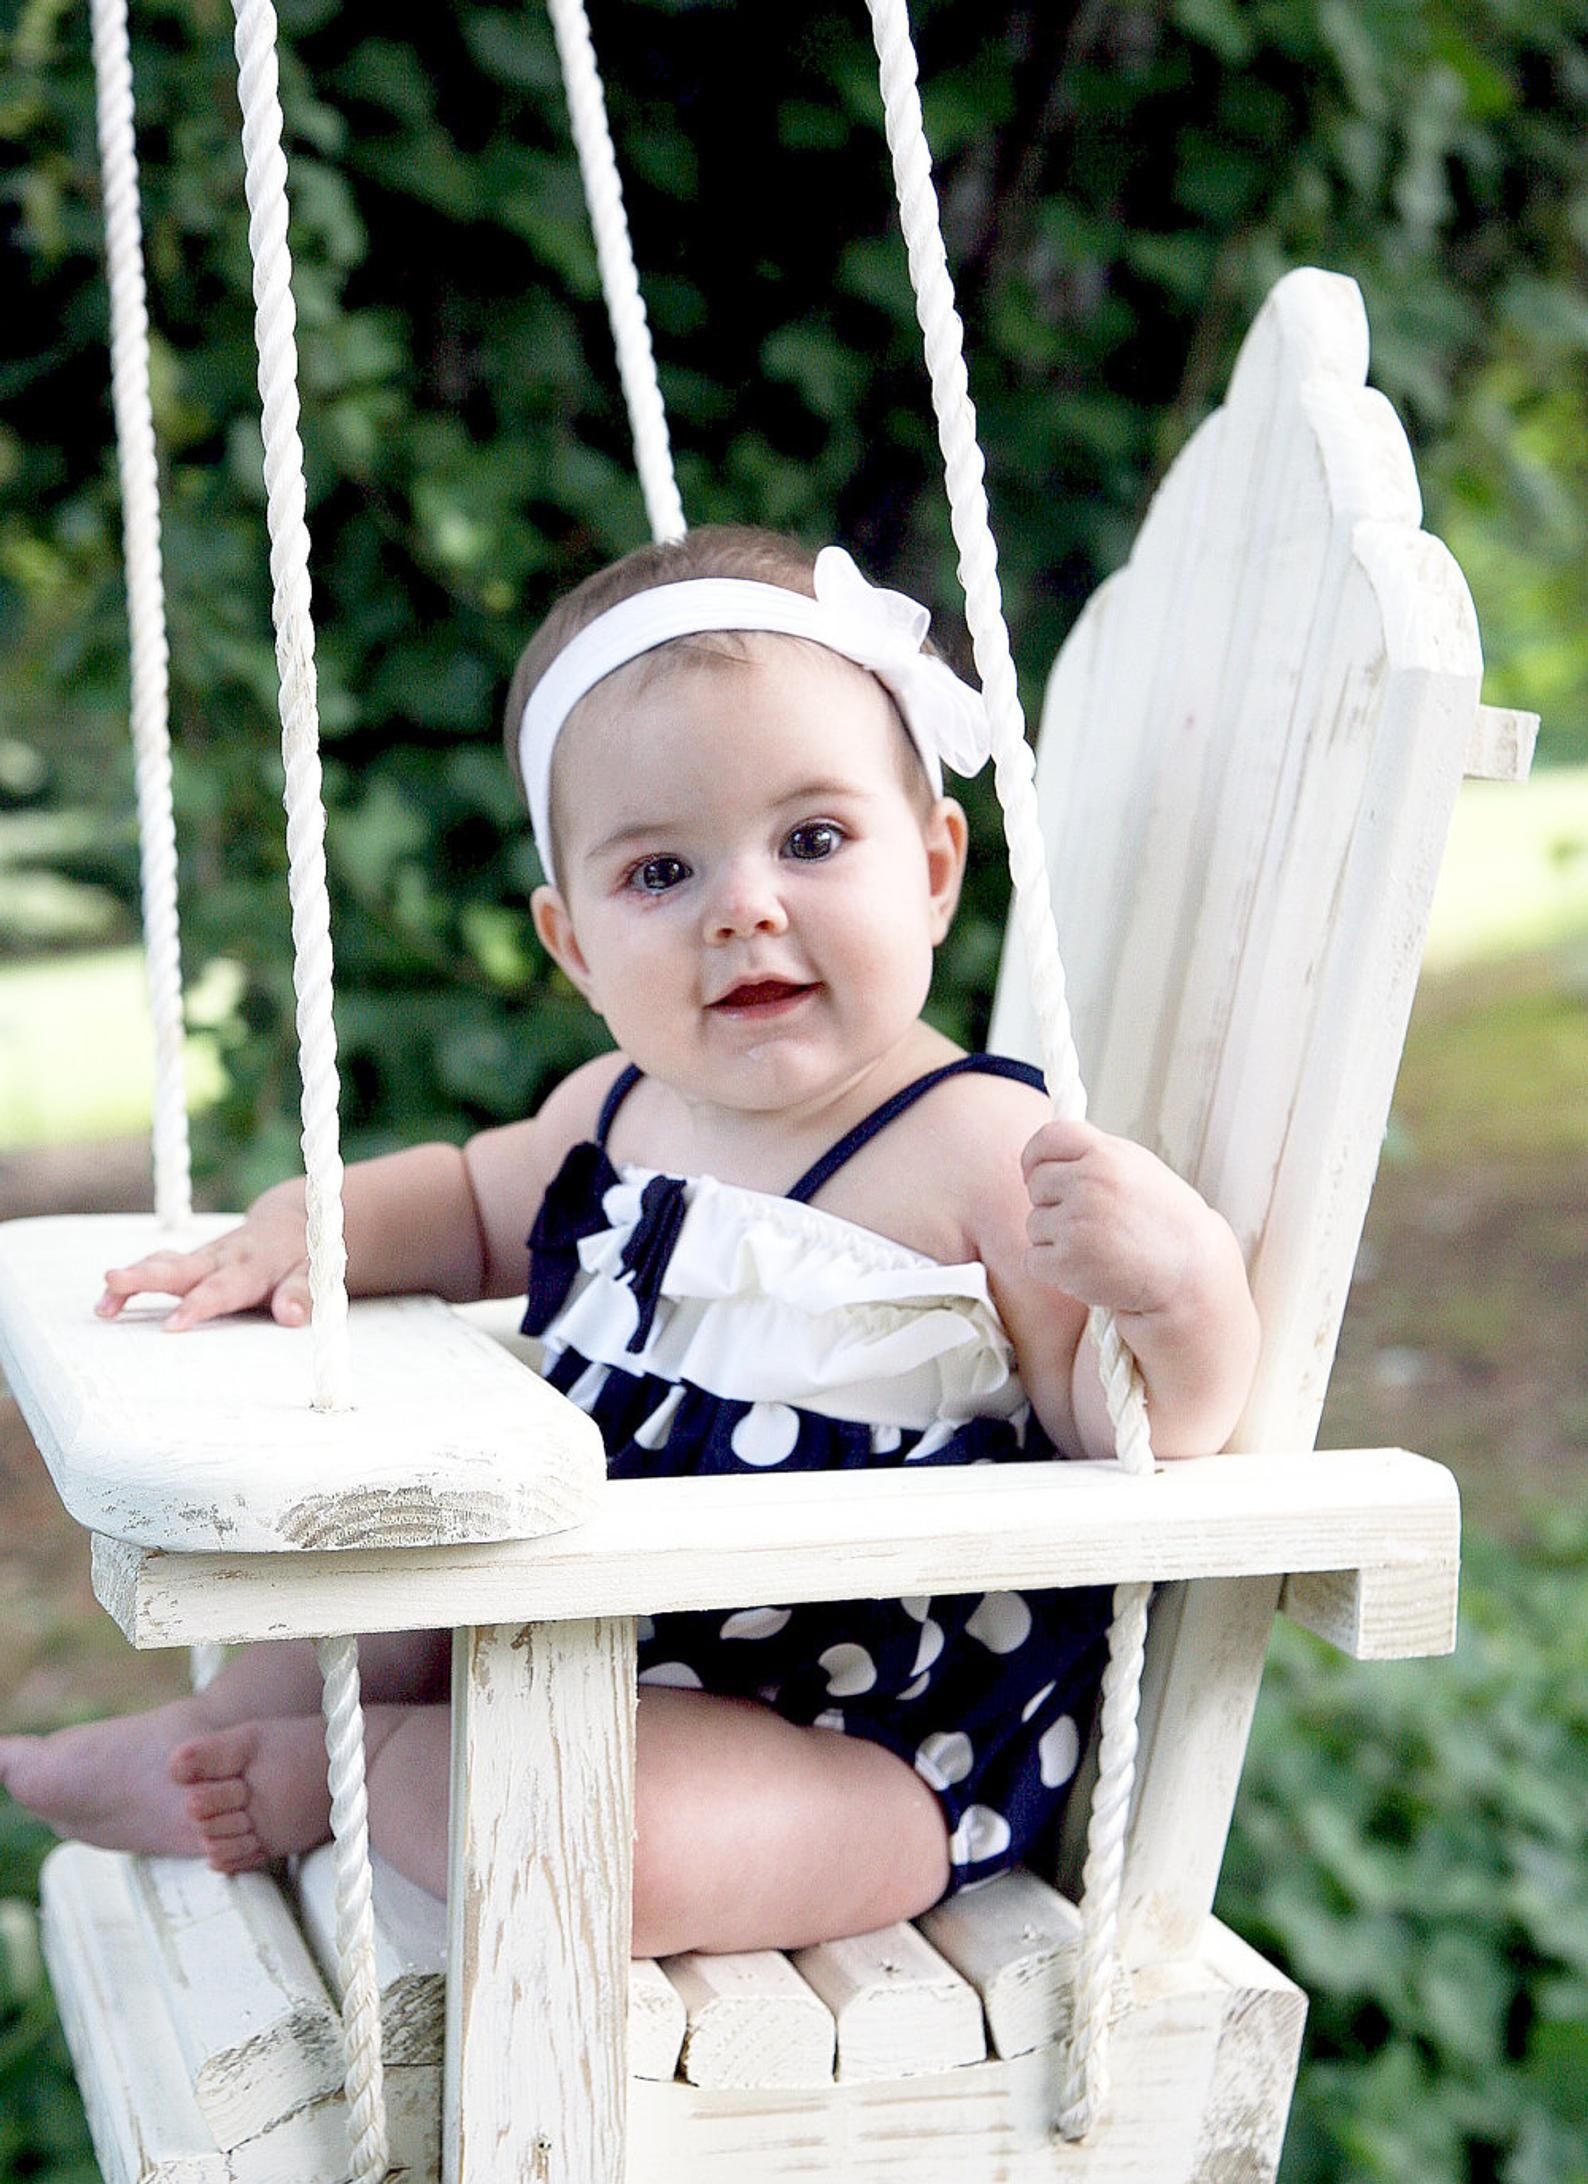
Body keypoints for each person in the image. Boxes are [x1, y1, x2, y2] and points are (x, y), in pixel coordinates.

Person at [0, 526, 1259, 1958]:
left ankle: (331, 1782)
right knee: (350, 1616)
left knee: (614, 1840)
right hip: (568, 1629)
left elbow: (1143, 1430)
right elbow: (474, 1202)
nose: (745, 903)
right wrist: (308, 1230)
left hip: (862, 1735)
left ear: (934, 868)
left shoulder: (978, 1151)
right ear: (575, 943)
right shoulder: (613, 1111)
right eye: (660, 872)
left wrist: (1177, 1290)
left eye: (813, 839)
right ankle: (212, 1739)